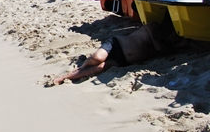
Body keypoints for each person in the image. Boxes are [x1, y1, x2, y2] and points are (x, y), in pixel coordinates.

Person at [48, 17, 179, 86]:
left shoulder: (165, 44)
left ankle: (67, 77)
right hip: (117, 44)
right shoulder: (153, 28)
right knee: (97, 59)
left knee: (99, 68)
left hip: (124, 60)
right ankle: (76, 70)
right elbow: (157, 45)